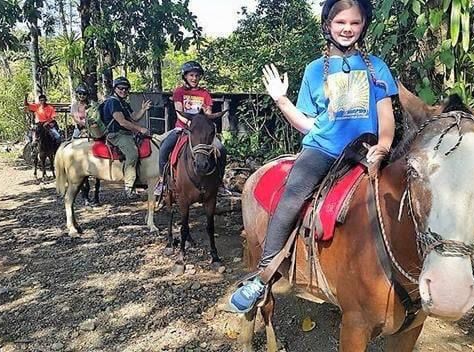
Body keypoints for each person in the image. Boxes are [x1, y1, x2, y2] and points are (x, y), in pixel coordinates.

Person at [227, 0, 398, 313]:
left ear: (363, 26)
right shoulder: (315, 70)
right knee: (291, 197)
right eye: (340, 22)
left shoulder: (377, 66)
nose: (347, 29)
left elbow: (385, 115)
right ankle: (263, 275)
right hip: (322, 149)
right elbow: (308, 123)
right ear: (328, 25)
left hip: (366, 150)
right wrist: (281, 101)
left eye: (355, 23)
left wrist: (384, 146)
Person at [155, 60, 229, 196]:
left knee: (221, 149)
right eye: (191, 75)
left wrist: (202, 124)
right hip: (182, 129)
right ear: (185, 76)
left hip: (201, 132)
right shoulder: (179, 91)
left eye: (197, 75)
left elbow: (208, 113)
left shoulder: (205, 94)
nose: (194, 78)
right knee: (164, 148)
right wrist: (191, 125)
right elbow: (179, 113)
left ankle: (219, 183)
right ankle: (162, 181)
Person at [101, 76, 151, 199]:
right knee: (133, 153)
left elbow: (134, 117)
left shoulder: (123, 102)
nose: (123, 91)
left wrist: (143, 110)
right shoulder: (113, 102)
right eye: (120, 88)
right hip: (116, 134)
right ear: (115, 89)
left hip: (126, 133)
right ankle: (129, 187)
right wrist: (140, 129)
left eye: (126, 89)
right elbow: (122, 122)